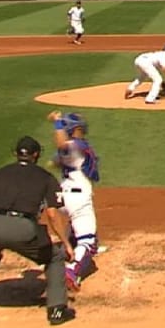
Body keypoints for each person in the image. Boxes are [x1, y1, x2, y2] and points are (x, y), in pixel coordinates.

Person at [0, 136, 76, 326]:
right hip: (23, 228)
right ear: (36, 155)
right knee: (55, 257)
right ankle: (57, 309)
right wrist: (66, 244)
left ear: (16, 154)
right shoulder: (45, 177)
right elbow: (52, 214)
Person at [47, 111, 100, 292]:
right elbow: (62, 145)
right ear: (74, 129)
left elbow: (53, 162)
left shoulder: (71, 149)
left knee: (75, 230)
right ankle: (71, 271)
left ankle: (64, 254)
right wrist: (57, 123)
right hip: (78, 198)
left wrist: (64, 160)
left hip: (64, 197)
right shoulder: (75, 145)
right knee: (90, 242)